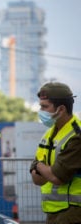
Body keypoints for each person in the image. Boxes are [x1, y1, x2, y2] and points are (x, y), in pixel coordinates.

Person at [29, 82, 81, 224]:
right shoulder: (49, 134)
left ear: (61, 109)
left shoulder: (77, 135)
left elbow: (57, 177)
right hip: (52, 211)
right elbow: (37, 179)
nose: (41, 111)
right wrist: (45, 170)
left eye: (45, 107)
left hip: (73, 211)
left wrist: (39, 166)